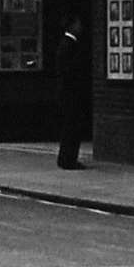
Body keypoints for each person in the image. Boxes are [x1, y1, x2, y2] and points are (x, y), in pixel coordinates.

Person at [55, 11, 87, 169]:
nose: (80, 27)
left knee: (69, 127)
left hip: (67, 94)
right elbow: (70, 71)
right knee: (72, 127)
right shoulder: (69, 45)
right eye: (78, 24)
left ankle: (66, 158)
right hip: (71, 94)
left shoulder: (66, 44)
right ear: (72, 25)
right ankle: (69, 159)